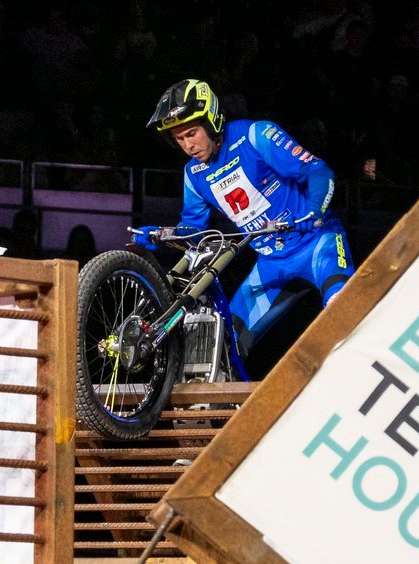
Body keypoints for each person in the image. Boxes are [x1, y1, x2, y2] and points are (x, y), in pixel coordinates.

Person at [137, 79, 355, 363]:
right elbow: (194, 231)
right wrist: (162, 234)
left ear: (212, 121)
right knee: (223, 345)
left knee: (344, 310)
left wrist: (315, 211)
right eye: (179, 139)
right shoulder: (193, 175)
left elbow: (318, 171)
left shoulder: (256, 135)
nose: (188, 146)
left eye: (192, 133)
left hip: (317, 242)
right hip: (271, 263)